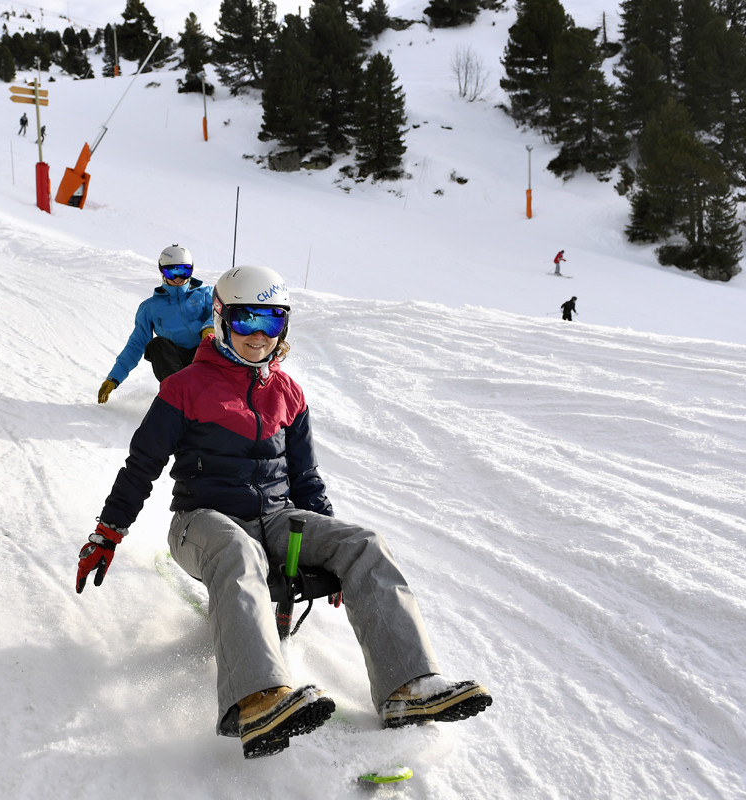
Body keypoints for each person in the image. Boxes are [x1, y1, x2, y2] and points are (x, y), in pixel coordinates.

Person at [78, 265, 494, 759]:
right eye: (247, 320)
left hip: (275, 518)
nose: (259, 336)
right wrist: (108, 533)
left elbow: (306, 478)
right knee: (236, 551)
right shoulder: (185, 387)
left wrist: (334, 550)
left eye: (272, 323)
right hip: (202, 521)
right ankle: (255, 700)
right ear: (221, 318)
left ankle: (408, 688)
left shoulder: (289, 392)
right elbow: (140, 466)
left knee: (362, 543)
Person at [97, 245, 214, 405]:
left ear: (191, 271)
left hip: (205, 354)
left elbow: (219, 313)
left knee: (221, 339)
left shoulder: (206, 295)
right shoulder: (150, 307)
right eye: (171, 272)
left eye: (184, 271)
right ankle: (178, 396)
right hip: (175, 362)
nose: (178, 278)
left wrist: (209, 328)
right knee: (156, 345)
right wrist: (114, 378)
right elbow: (136, 343)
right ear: (162, 272)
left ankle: (222, 393)